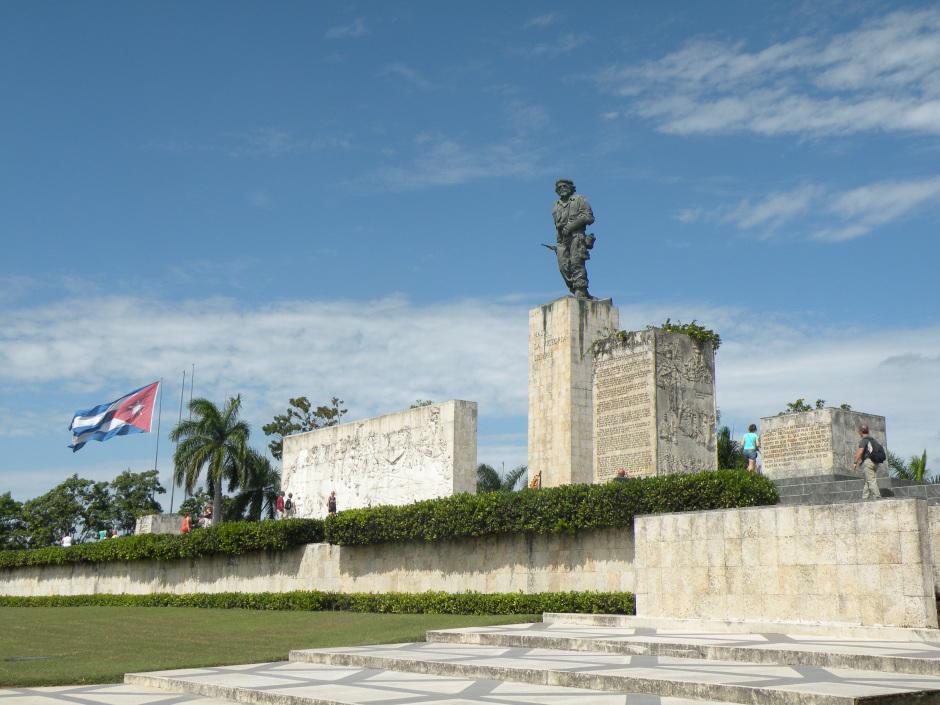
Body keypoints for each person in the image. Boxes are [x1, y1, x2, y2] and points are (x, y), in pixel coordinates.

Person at [550, 179, 596, 299]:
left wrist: (571, 226)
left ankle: (580, 289)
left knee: (577, 263)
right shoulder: (556, 205)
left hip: (576, 235)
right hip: (562, 240)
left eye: (565, 186)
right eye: (559, 188)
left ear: (571, 188)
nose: (562, 189)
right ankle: (574, 288)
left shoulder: (579, 199)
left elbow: (589, 217)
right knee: (563, 266)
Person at [853, 424, 885, 500]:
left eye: (859, 432)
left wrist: (855, 462)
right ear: (868, 431)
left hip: (868, 462)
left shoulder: (864, 440)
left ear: (860, 432)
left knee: (871, 480)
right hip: (875, 463)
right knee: (868, 481)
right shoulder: (873, 440)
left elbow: (860, 452)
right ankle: (865, 498)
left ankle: (877, 497)